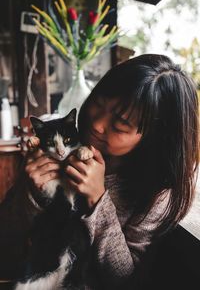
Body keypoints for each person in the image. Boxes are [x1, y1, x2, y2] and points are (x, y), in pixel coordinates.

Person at [0, 54, 199, 289]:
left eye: (120, 124)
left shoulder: (158, 192)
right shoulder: (63, 145)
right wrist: (30, 192)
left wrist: (98, 200)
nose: (96, 123)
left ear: (154, 137)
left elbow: (124, 281)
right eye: (99, 103)